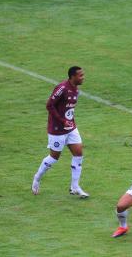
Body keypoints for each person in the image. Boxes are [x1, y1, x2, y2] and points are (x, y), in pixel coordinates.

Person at [31, 66, 89, 198]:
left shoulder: (76, 90)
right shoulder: (62, 88)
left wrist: (69, 122)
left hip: (71, 127)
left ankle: (75, 187)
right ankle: (37, 178)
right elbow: (49, 105)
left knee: (79, 154)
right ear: (72, 76)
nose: (83, 77)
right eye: (80, 75)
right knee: (54, 157)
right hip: (57, 129)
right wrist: (62, 121)